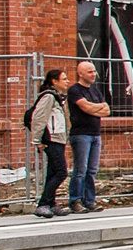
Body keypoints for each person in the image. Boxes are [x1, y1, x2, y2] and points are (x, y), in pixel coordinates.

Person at [67, 60, 110, 213]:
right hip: (81, 135)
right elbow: (84, 107)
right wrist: (95, 107)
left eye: (94, 71)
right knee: (80, 169)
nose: (94, 75)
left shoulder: (95, 91)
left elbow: (107, 110)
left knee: (92, 170)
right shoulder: (74, 90)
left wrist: (93, 108)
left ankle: (89, 200)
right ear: (80, 74)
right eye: (90, 72)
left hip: (95, 134)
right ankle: (75, 201)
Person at [28, 68, 70, 218]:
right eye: (64, 79)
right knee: (61, 172)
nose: (67, 81)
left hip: (58, 138)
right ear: (55, 81)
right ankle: (43, 203)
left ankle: (51, 203)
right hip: (51, 139)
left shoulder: (58, 97)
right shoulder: (49, 97)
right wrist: (37, 139)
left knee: (52, 172)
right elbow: (39, 117)